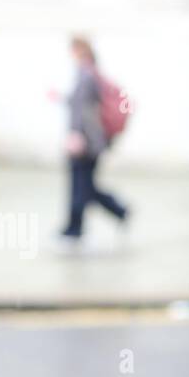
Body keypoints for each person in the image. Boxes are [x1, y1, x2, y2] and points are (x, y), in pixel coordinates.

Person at [58, 36, 128, 246]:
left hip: (86, 142)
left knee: (81, 186)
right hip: (92, 141)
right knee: (84, 186)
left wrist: (77, 135)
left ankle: (75, 229)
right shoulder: (91, 75)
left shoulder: (86, 75)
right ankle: (115, 212)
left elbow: (83, 112)